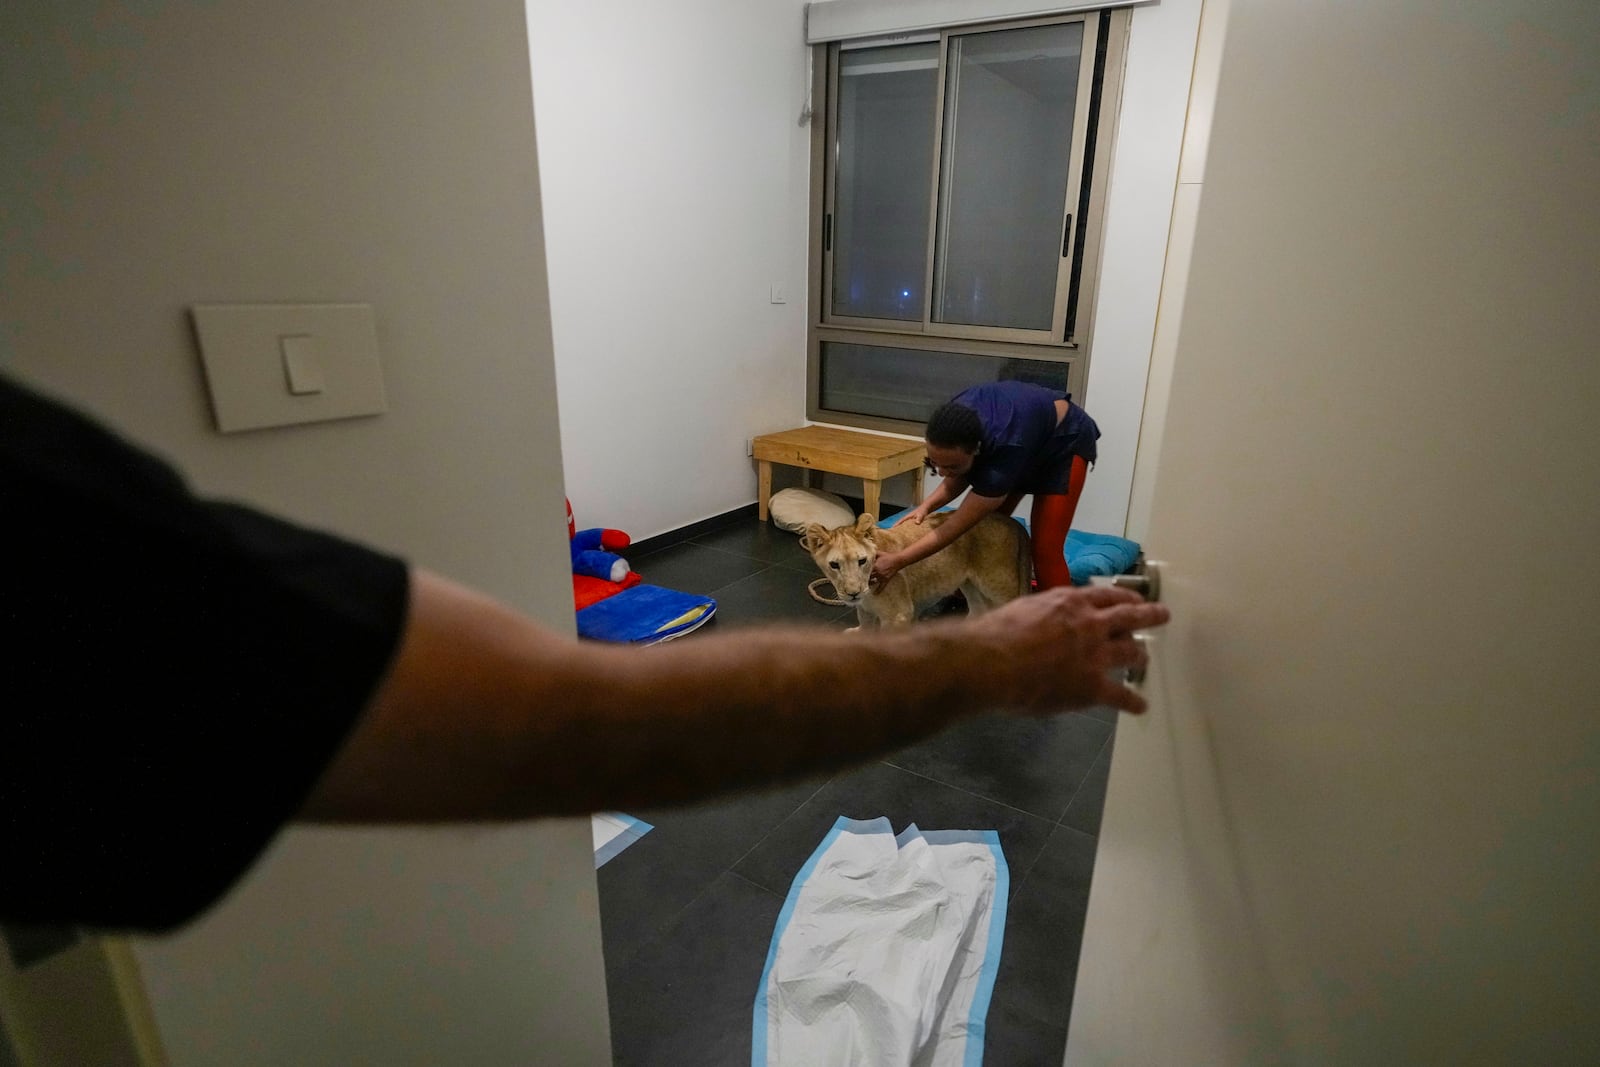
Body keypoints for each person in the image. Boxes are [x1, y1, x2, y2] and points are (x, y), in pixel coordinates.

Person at [0, 374, 1166, 933]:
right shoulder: (951, 435)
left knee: (1038, 545)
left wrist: (993, 631)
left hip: (1054, 461)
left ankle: (1063, 600)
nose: (941, 470)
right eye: (937, 461)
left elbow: (971, 515)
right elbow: (563, 723)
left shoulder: (1017, 439)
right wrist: (919, 554)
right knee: (936, 532)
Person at [873, 380, 1100, 593]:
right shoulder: (953, 421)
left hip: (1063, 441)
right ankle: (976, 588)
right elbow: (956, 473)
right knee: (987, 532)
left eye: (950, 466)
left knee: (1045, 549)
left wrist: (899, 561)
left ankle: (1066, 625)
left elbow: (955, 527)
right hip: (1023, 434)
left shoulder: (1005, 451)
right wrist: (926, 506)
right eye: (935, 463)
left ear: (977, 451)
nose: (941, 472)